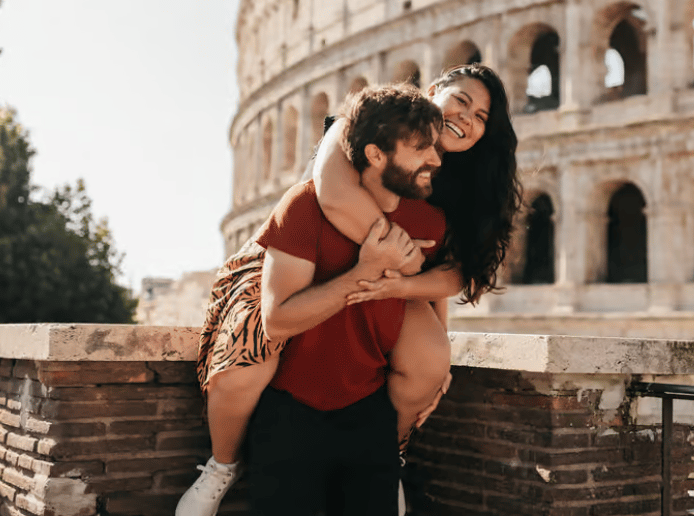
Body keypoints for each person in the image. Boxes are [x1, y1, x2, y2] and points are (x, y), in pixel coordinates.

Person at [177, 65, 521, 515]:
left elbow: (455, 271)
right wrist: (396, 256)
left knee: (428, 363)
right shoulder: (364, 120)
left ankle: (390, 456)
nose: (467, 118)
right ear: (434, 90)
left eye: (481, 117)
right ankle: (221, 466)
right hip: (301, 252)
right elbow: (334, 195)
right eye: (462, 100)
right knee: (248, 364)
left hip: (388, 275)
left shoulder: (466, 179)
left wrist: (425, 315)